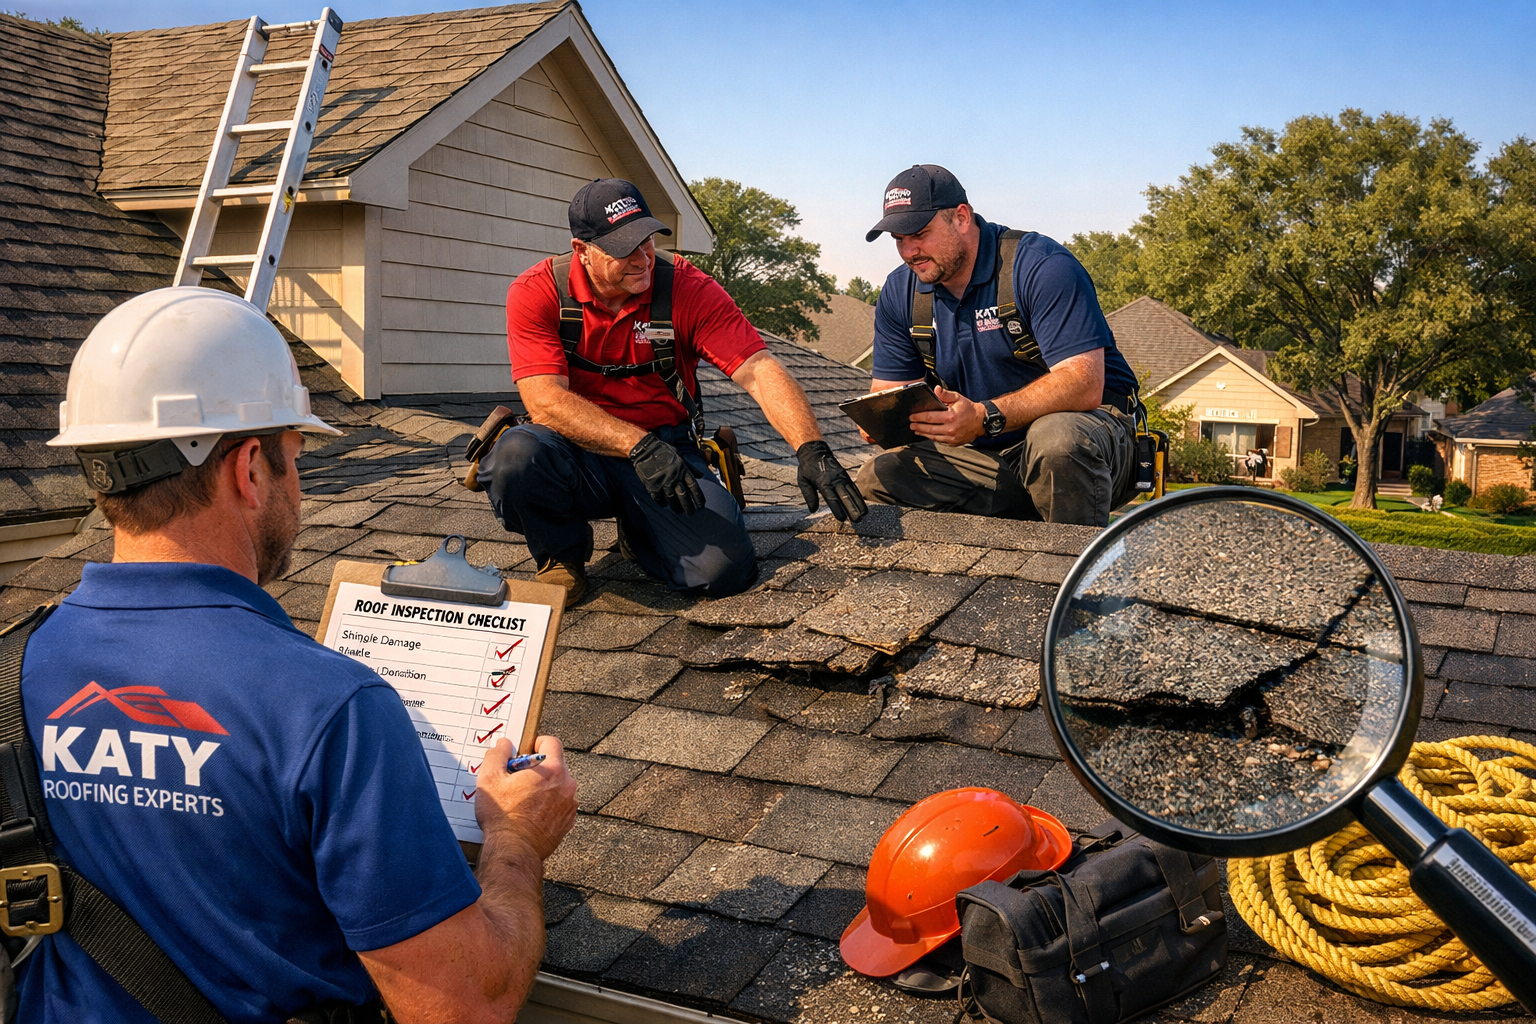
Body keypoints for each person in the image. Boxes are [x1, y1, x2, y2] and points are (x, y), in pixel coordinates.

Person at [18, 287, 577, 1022]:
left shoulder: (13, 671)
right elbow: (465, 1006)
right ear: (248, 468)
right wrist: (515, 840)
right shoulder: (328, 708)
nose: (298, 485)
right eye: (294, 458)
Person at [484, 178, 865, 607]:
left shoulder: (686, 287)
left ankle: (641, 527)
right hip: (576, 454)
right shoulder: (537, 292)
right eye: (623, 247)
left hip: (667, 453)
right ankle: (560, 555)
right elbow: (544, 402)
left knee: (724, 573)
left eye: (646, 239)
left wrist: (810, 447)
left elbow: (758, 368)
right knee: (517, 454)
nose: (643, 257)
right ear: (582, 250)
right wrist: (635, 445)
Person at [855, 164, 1141, 527]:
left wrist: (983, 416)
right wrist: (881, 420)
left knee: (1055, 442)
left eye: (920, 234)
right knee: (879, 477)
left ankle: (1070, 574)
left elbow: (1084, 383)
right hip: (991, 459)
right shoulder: (900, 293)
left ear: (961, 217)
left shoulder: (1041, 266)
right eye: (898, 239)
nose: (909, 251)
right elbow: (889, 393)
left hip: (1092, 447)